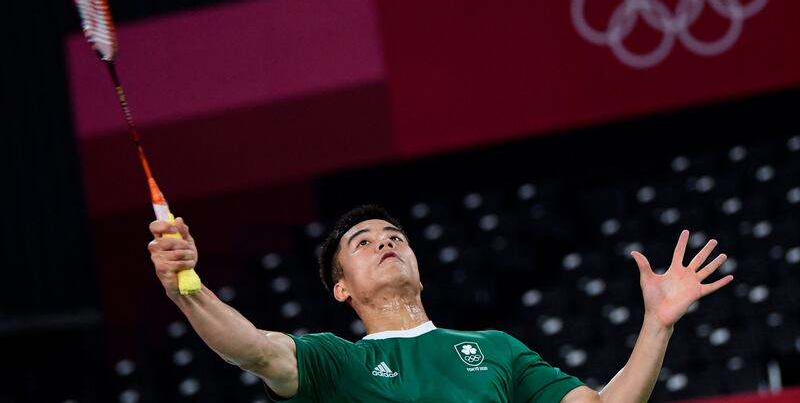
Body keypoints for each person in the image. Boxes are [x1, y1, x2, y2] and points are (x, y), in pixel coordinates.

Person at [148, 204, 734, 402]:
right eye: (363, 241)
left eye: (395, 236)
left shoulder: (495, 351)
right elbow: (251, 348)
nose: (386, 241)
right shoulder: (336, 364)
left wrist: (657, 324)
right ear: (341, 288)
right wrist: (187, 288)